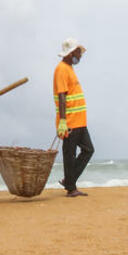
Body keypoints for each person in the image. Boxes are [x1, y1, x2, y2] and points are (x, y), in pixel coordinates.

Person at [54, 39, 94, 197]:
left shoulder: (69, 68)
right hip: (70, 120)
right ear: (70, 54)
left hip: (80, 120)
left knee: (88, 150)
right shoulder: (61, 69)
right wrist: (63, 121)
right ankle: (71, 188)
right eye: (78, 53)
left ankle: (69, 180)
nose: (80, 56)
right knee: (69, 154)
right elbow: (62, 96)